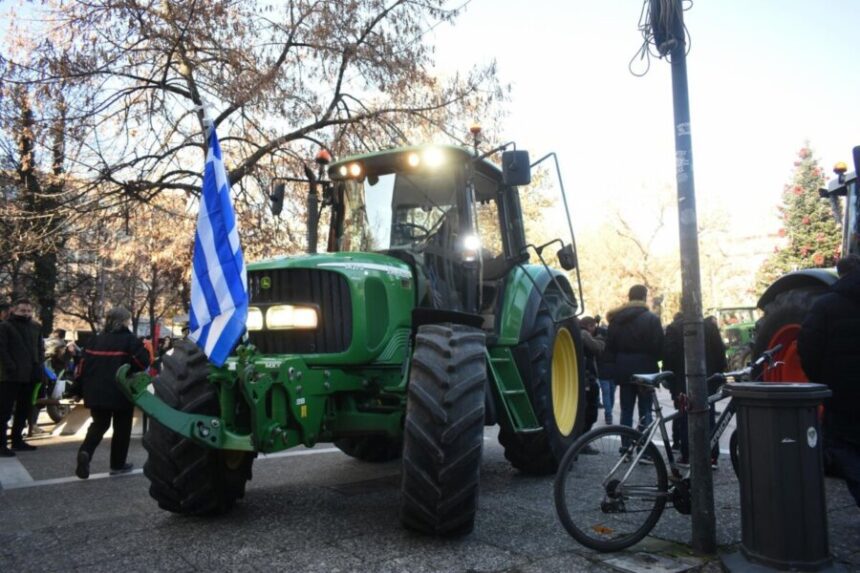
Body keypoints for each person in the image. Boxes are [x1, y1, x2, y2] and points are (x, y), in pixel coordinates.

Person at [798, 254, 860, 508]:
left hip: (842, 393)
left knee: (843, 447)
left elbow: (808, 349)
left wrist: (823, 382)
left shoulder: (825, 305)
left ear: (839, 273)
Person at [74, 307, 150, 478]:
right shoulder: (129, 340)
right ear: (124, 321)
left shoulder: (95, 340)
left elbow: (81, 366)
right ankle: (117, 464)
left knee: (99, 424)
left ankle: (86, 451)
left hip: (95, 390)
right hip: (120, 389)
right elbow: (142, 362)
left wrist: (78, 390)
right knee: (122, 428)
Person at [662, 312, 727, 467]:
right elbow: (720, 352)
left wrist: (669, 378)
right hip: (708, 378)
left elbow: (669, 355)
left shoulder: (674, 328)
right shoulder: (709, 326)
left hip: (682, 379)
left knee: (685, 416)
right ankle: (711, 455)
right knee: (708, 415)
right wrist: (718, 373)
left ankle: (687, 455)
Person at [606, 285, 663, 435]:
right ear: (644, 297)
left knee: (626, 410)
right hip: (646, 370)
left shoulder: (616, 320)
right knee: (646, 410)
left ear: (629, 297)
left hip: (624, 369)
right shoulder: (652, 319)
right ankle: (644, 444)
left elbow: (609, 347)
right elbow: (659, 347)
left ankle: (626, 444)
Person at [0, 298, 44, 456]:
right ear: (14, 310)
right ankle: (1, 444)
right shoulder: (5, 326)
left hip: (30, 374)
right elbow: (2, 349)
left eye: (28, 311)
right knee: (4, 411)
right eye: (22, 310)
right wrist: (10, 366)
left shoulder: (35, 326)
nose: (26, 313)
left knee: (24, 409)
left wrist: (39, 367)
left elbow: (39, 349)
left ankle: (17, 440)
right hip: (10, 376)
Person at [579, 316, 605, 453]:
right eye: (594, 327)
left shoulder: (578, 332)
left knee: (585, 411)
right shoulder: (584, 334)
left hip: (584, 378)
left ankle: (580, 443)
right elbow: (598, 348)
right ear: (589, 325)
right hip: (587, 379)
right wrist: (600, 338)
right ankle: (582, 443)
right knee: (590, 412)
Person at [594, 315, 616, 424]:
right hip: (613, 371)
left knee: (606, 394)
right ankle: (609, 411)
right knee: (611, 394)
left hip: (603, 371)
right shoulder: (613, 344)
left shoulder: (598, 345)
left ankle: (608, 414)